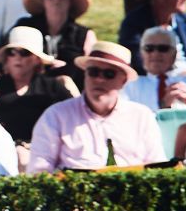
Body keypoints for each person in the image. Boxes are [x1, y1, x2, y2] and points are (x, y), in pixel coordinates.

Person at [27, 41, 163, 170]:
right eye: (93, 72)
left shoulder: (141, 116)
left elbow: (158, 166)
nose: (99, 79)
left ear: (123, 81)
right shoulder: (56, 115)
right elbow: (39, 169)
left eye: (109, 74)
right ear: (85, 75)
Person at [0, 25, 73, 143]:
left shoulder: (52, 87)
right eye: (12, 52)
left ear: (37, 59)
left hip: (44, 149)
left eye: (24, 53)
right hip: (0, 147)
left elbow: (74, 114)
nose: (17, 57)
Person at [19, 0, 96, 85]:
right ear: (42, 0)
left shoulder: (84, 34)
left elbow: (93, 68)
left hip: (71, 93)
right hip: (29, 90)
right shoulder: (26, 27)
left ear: (70, 0)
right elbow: (3, 59)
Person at [127, 26, 186, 111]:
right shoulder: (129, 87)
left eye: (163, 49)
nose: (155, 54)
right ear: (141, 53)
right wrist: (163, 106)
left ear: (174, 53)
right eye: (149, 48)